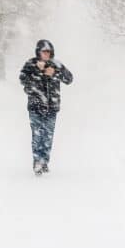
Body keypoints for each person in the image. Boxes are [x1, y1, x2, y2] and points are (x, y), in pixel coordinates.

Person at [18, 39, 73, 175]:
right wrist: (38, 71)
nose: (46, 54)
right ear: (38, 52)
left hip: (52, 107)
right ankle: (37, 162)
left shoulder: (56, 64)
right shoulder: (31, 64)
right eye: (44, 51)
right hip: (35, 107)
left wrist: (54, 73)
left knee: (47, 137)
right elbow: (22, 80)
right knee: (37, 136)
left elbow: (69, 79)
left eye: (48, 51)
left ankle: (44, 161)